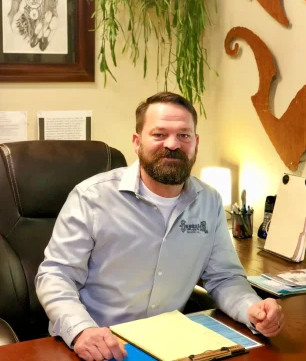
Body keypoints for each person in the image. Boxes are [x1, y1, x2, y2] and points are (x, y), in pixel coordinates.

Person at [35, 92, 284, 361]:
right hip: (97, 344)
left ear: (196, 143)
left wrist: (253, 309)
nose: (173, 144)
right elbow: (55, 276)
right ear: (136, 142)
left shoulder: (209, 201)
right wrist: (81, 331)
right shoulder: (92, 198)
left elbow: (224, 277)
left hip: (171, 346)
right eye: (159, 134)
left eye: (184, 135)